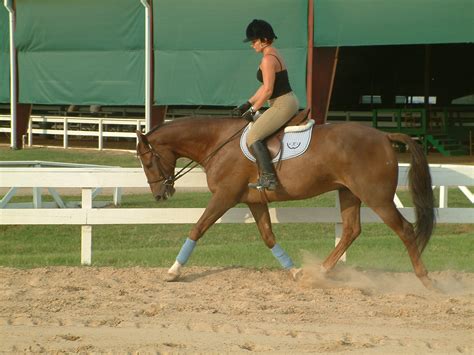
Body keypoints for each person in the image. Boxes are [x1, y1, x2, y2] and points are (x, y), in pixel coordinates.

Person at [235, 19, 299, 191]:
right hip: (286, 100)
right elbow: (265, 86)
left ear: (264, 39)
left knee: (252, 137)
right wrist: (248, 103)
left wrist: (253, 110)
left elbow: (269, 90)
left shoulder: (267, 60)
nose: (252, 45)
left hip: (282, 104)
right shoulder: (273, 53)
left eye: (254, 41)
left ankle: (269, 178)